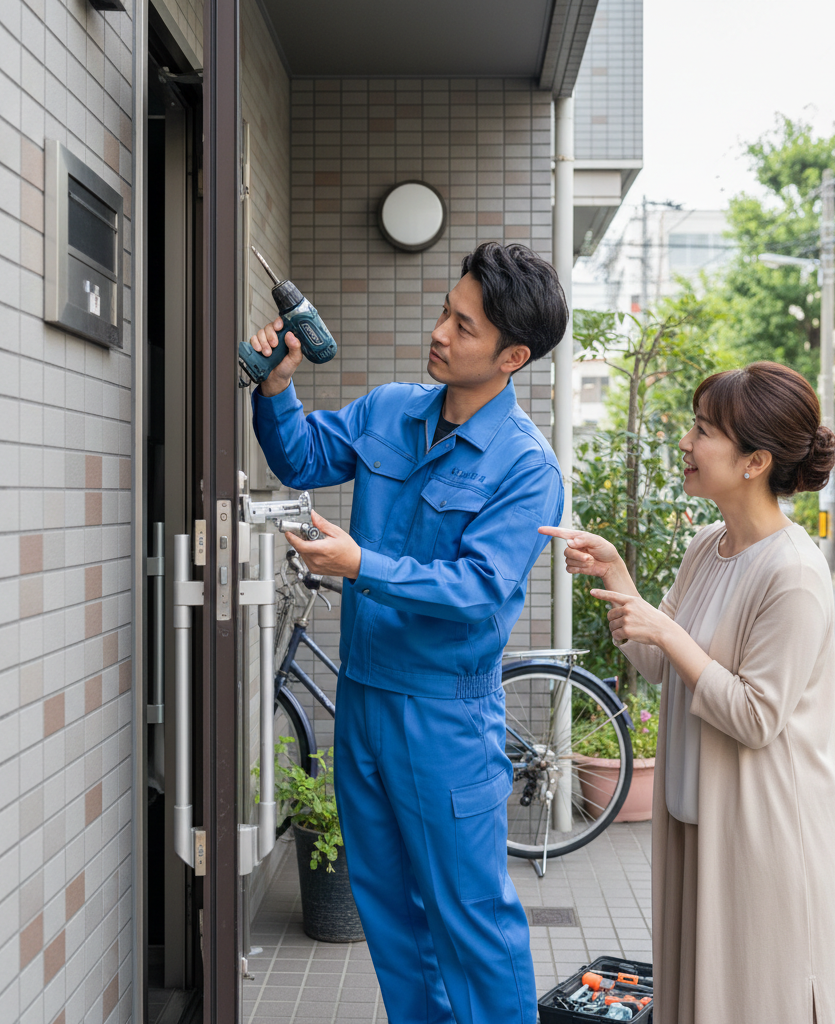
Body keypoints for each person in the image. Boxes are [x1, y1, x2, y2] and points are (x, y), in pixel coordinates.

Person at [248, 242, 566, 1024]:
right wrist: (279, 386)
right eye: (445, 312)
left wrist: (361, 563)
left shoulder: (527, 468)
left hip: (445, 718)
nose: (439, 332)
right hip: (363, 703)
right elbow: (300, 453)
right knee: (390, 919)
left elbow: (481, 590)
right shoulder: (392, 408)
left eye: (463, 326)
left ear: (512, 356)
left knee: (470, 922)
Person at [541, 362, 835, 1024]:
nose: (685, 442)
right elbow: (660, 664)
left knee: (752, 1003)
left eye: (704, 430)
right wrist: (618, 576)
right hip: (697, 827)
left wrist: (665, 628)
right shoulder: (708, 547)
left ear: (754, 461)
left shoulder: (794, 572)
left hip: (762, 840)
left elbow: (756, 716)